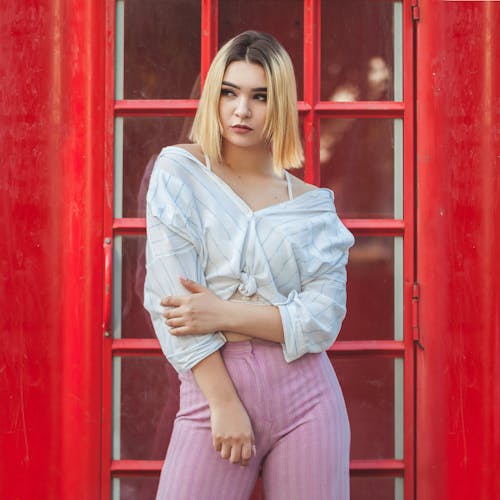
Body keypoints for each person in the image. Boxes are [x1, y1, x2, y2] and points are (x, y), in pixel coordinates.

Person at [144, 30, 354, 500]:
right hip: (212, 386)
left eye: (260, 97)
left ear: (279, 104)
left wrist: (224, 312)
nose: (242, 110)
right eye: (230, 93)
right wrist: (223, 403)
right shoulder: (179, 172)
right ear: (214, 96)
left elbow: (322, 319)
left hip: (307, 398)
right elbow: (171, 298)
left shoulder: (314, 207)